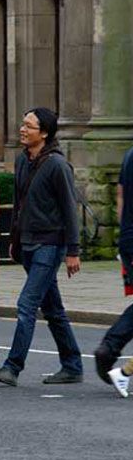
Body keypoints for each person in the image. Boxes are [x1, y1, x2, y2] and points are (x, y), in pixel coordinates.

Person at [0, 108, 83, 386]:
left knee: (26, 304)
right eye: (23, 124)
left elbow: (69, 210)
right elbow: (19, 206)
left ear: (44, 133)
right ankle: (73, 365)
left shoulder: (57, 165)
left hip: (49, 245)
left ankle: (12, 367)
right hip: (27, 244)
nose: (22, 129)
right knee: (53, 309)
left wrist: (73, 251)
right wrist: (14, 241)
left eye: (29, 126)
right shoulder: (22, 161)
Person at [94, 145, 133, 386]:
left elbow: (121, 195)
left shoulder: (129, 154)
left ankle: (112, 353)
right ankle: (114, 354)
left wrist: (125, 234)